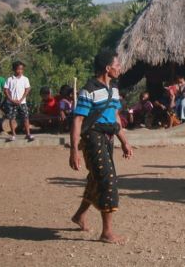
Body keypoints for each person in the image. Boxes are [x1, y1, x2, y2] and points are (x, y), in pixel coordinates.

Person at [69, 49, 133, 244]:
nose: (120, 68)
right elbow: (78, 120)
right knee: (108, 180)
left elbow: (115, 118)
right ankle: (107, 232)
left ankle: (79, 215)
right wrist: (74, 150)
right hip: (92, 139)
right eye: (117, 65)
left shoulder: (113, 90)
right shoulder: (88, 90)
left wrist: (124, 141)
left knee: (96, 179)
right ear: (107, 68)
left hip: (108, 138)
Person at [3, 61, 33, 142]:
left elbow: (27, 89)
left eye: (21, 69)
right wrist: (11, 99)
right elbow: (5, 90)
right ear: (14, 69)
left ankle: (28, 134)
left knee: (26, 118)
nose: (20, 71)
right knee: (11, 118)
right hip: (11, 103)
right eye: (18, 69)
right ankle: (13, 134)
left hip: (22, 103)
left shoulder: (25, 79)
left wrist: (21, 99)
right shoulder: (9, 79)